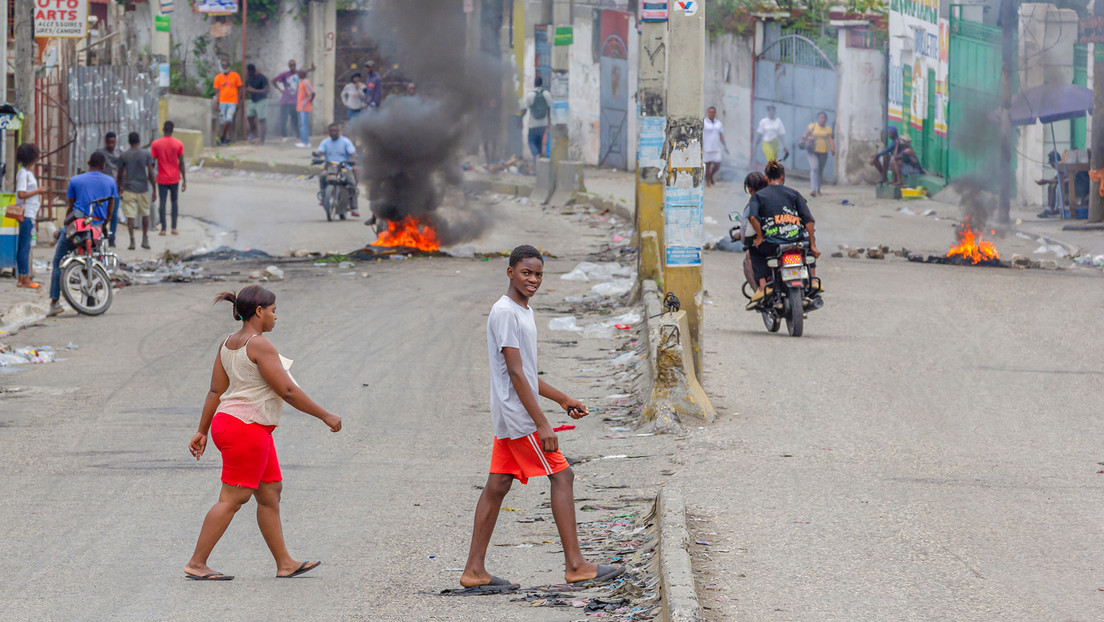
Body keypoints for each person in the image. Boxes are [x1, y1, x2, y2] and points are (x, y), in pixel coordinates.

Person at [459, 245, 624, 593]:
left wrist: (562, 399)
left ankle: (474, 570)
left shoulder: (522, 310)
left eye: (538, 275)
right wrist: (542, 425)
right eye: (526, 273)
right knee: (563, 475)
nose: (533, 280)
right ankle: (576, 565)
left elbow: (528, 374)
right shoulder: (505, 313)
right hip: (520, 417)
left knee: (498, 486)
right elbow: (516, 374)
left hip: (513, 414)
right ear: (510, 272)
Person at [184, 285, 342, 581]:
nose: (275, 316)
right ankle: (197, 563)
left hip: (235, 424)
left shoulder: (229, 342)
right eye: (273, 310)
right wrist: (325, 415)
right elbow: (287, 391)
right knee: (233, 497)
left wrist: (202, 430)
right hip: (245, 428)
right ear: (259, 311)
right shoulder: (259, 345)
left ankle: (285, 563)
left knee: (270, 491)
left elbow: (216, 390)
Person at [47, 152, 117, 317]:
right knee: (95, 257)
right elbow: (110, 212)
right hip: (97, 228)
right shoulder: (110, 182)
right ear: (103, 166)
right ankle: (91, 298)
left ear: (88, 163)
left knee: (58, 261)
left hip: (78, 227)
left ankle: (54, 302)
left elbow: (70, 209)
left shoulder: (75, 180)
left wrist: (66, 224)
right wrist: (103, 225)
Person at [746, 160, 821, 310]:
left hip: (773, 244)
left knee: (753, 249)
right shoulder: (794, 194)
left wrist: (760, 236)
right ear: (783, 177)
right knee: (806, 239)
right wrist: (813, 245)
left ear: (766, 179)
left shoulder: (758, 196)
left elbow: (752, 217)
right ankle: (812, 278)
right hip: (796, 240)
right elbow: (809, 220)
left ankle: (763, 286)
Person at [14, 143, 47, 289]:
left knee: (24, 245)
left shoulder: (25, 173)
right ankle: (25, 277)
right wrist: (38, 191)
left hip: (29, 213)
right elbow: (21, 193)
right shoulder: (24, 174)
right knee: (25, 246)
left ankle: (22, 278)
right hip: (26, 214)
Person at [118, 132, 157, 250]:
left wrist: (119, 187)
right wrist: (154, 189)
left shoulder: (124, 155)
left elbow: (120, 174)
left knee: (130, 216)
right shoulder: (145, 154)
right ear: (139, 140)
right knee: (145, 214)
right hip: (143, 188)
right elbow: (150, 173)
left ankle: (132, 241)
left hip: (128, 189)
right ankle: (145, 238)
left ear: (129, 142)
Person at [315, 123, 359, 217]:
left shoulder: (345, 141)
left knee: (351, 182)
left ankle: (354, 207)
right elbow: (320, 151)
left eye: (335, 131)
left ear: (339, 132)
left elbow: (353, 153)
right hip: (330, 167)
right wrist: (317, 156)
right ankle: (323, 198)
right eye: (331, 131)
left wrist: (352, 161)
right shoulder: (325, 142)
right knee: (323, 176)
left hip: (344, 167)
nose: (333, 133)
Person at [151, 121, 187, 236]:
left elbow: (152, 163)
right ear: (172, 130)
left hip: (161, 178)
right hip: (174, 178)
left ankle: (163, 228)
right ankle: (174, 228)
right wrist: (185, 180)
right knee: (174, 202)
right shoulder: (178, 144)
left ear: (163, 129)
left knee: (162, 202)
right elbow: (181, 163)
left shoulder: (156, 144)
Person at [740, 171, 770, 291]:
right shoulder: (775, 197)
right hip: (786, 237)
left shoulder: (753, 203)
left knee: (749, 256)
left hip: (767, 243)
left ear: (750, 188)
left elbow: (749, 222)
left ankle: (759, 292)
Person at [93, 132, 123, 247]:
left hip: (114, 189)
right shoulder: (100, 153)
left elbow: (122, 171)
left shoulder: (120, 154)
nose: (111, 145)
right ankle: (98, 235)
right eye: (109, 142)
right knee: (99, 214)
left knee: (114, 215)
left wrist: (121, 186)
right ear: (105, 141)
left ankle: (112, 238)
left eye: (113, 142)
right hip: (101, 189)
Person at [272, 60, 314, 140]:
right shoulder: (284, 74)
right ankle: (284, 136)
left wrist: (311, 69)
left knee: (295, 120)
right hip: (285, 101)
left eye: (294, 65)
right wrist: (280, 90)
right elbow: (273, 80)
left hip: (295, 102)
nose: (292, 66)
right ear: (289, 66)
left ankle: (298, 136)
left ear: (295, 65)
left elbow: (305, 71)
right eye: (291, 65)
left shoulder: (298, 73)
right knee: (283, 119)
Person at [800, 111, 835, 197]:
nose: (822, 119)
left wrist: (832, 148)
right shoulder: (812, 126)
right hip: (812, 151)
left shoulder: (828, 129)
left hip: (823, 152)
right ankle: (813, 189)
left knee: (820, 171)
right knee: (814, 168)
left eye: (824, 118)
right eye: (821, 117)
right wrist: (809, 137)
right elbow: (804, 136)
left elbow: (830, 139)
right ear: (818, 118)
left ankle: (818, 190)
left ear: (826, 119)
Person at [521, 76, 552, 168]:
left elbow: (524, 109)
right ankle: (538, 165)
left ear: (534, 83)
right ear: (542, 83)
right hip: (543, 124)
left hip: (533, 125)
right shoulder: (547, 94)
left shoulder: (530, 95)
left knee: (531, 142)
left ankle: (536, 158)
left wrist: (520, 120)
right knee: (539, 144)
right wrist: (549, 122)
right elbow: (550, 108)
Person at [214, 60, 243, 146]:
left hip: (232, 101)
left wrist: (238, 100)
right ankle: (226, 139)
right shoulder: (218, 77)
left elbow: (240, 88)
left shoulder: (235, 76)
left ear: (229, 66)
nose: (225, 68)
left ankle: (221, 136)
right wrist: (216, 102)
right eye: (223, 66)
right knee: (223, 122)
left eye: (226, 65)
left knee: (228, 120)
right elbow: (217, 91)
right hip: (222, 102)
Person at [245, 64, 270, 145]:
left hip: (262, 100)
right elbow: (248, 88)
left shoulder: (262, 77)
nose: (247, 73)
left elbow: (267, 89)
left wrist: (255, 91)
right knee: (249, 116)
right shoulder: (250, 78)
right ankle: (255, 136)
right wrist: (251, 90)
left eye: (248, 71)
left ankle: (262, 140)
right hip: (253, 100)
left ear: (252, 71)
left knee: (262, 119)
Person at [703, 106, 728, 187]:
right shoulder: (704, 122)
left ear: (715, 113)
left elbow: (721, 135)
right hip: (707, 147)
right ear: (707, 112)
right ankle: (708, 182)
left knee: (718, 164)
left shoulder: (718, 123)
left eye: (713, 112)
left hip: (716, 147)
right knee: (708, 165)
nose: (712, 114)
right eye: (710, 112)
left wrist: (725, 146)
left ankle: (710, 176)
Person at [295, 70, 315, 149]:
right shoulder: (300, 81)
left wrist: (310, 101)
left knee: (304, 125)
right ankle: (303, 141)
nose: (298, 74)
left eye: (300, 73)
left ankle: (306, 142)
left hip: (304, 107)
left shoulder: (306, 82)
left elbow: (312, 92)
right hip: (300, 107)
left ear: (303, 74)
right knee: (301, 125)